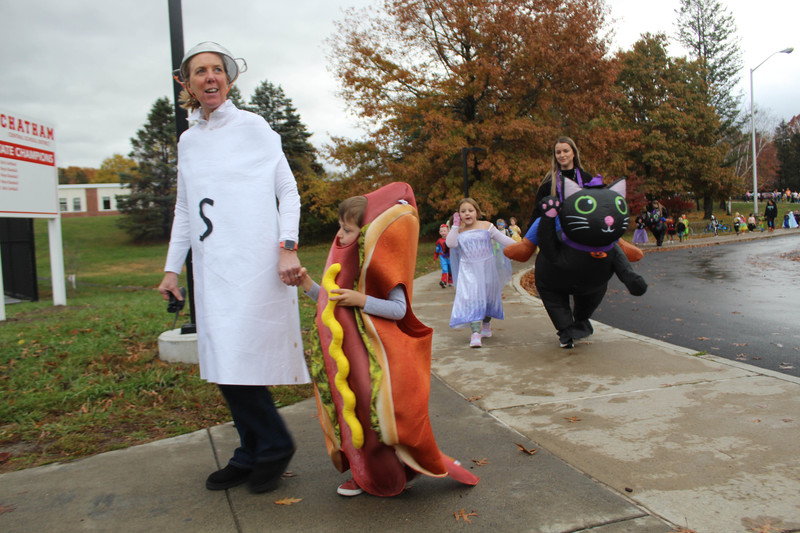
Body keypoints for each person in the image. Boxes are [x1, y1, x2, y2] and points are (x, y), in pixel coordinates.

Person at [158, 42, 310, 494]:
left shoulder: (253, 127)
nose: (210, 78)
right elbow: (185, 208)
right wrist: (172, 270)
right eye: (199, 72)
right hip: (212, 269)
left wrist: (288, 247)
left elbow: (288, 190)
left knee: (238, 360)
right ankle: (251, 450)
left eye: (216, 70)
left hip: (254, 263)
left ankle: (274, 445)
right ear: (185, 84)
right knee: (224, 362)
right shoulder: (188, 140)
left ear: (228, 78)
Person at [300, 185, 479, 497]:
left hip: (380, 362)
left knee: (379, 418)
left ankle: (389, 470)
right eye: (339, 229)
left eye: (347, 230)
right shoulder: (347, 266)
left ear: (368, 232)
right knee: (352, 413)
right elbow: (331, 301)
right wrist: (307, 285)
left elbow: (398, 309)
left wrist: (361, 299)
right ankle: (366, 470)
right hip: (351, 362)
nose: (339, 237)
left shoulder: (385, 265)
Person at [504, 136, 642, 263]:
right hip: (558, 221)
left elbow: (599, 203)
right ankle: (527, 247)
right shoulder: (548, 183)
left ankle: (621, 244)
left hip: (583, 220)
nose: (562, 155)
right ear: (555, 156)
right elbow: (537, 210)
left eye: (565, 151)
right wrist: (530, 233)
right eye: (558, 152)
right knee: (541, 220)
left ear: (573, 153)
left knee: (603, 221)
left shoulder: (587, 178)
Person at [447, 198, 515, 348]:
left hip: (487, 267)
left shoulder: (487, 226)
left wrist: (523, 246)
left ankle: (486, 324)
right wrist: (455, 226)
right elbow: (451, 244)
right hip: (469, 270)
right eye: (463, 211)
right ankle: (475, 333)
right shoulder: (459, 231)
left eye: (470, 210)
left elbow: (503, 239)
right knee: (473, 298)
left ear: (477, 212)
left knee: (488, 297)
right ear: (458, 215)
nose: (467, 213)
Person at [434, 223, 453, 287]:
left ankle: (451, 281)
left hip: (450, 257)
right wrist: (436, 255)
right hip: (443, 257)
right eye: (441, 231)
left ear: (448, 231)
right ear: (439, 232)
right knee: (444, 269)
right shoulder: (439, 241)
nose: (443, 233)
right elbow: (437, 249)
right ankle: (444, 281)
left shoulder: (451, 239)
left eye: (445, 231)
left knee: (451, 269)